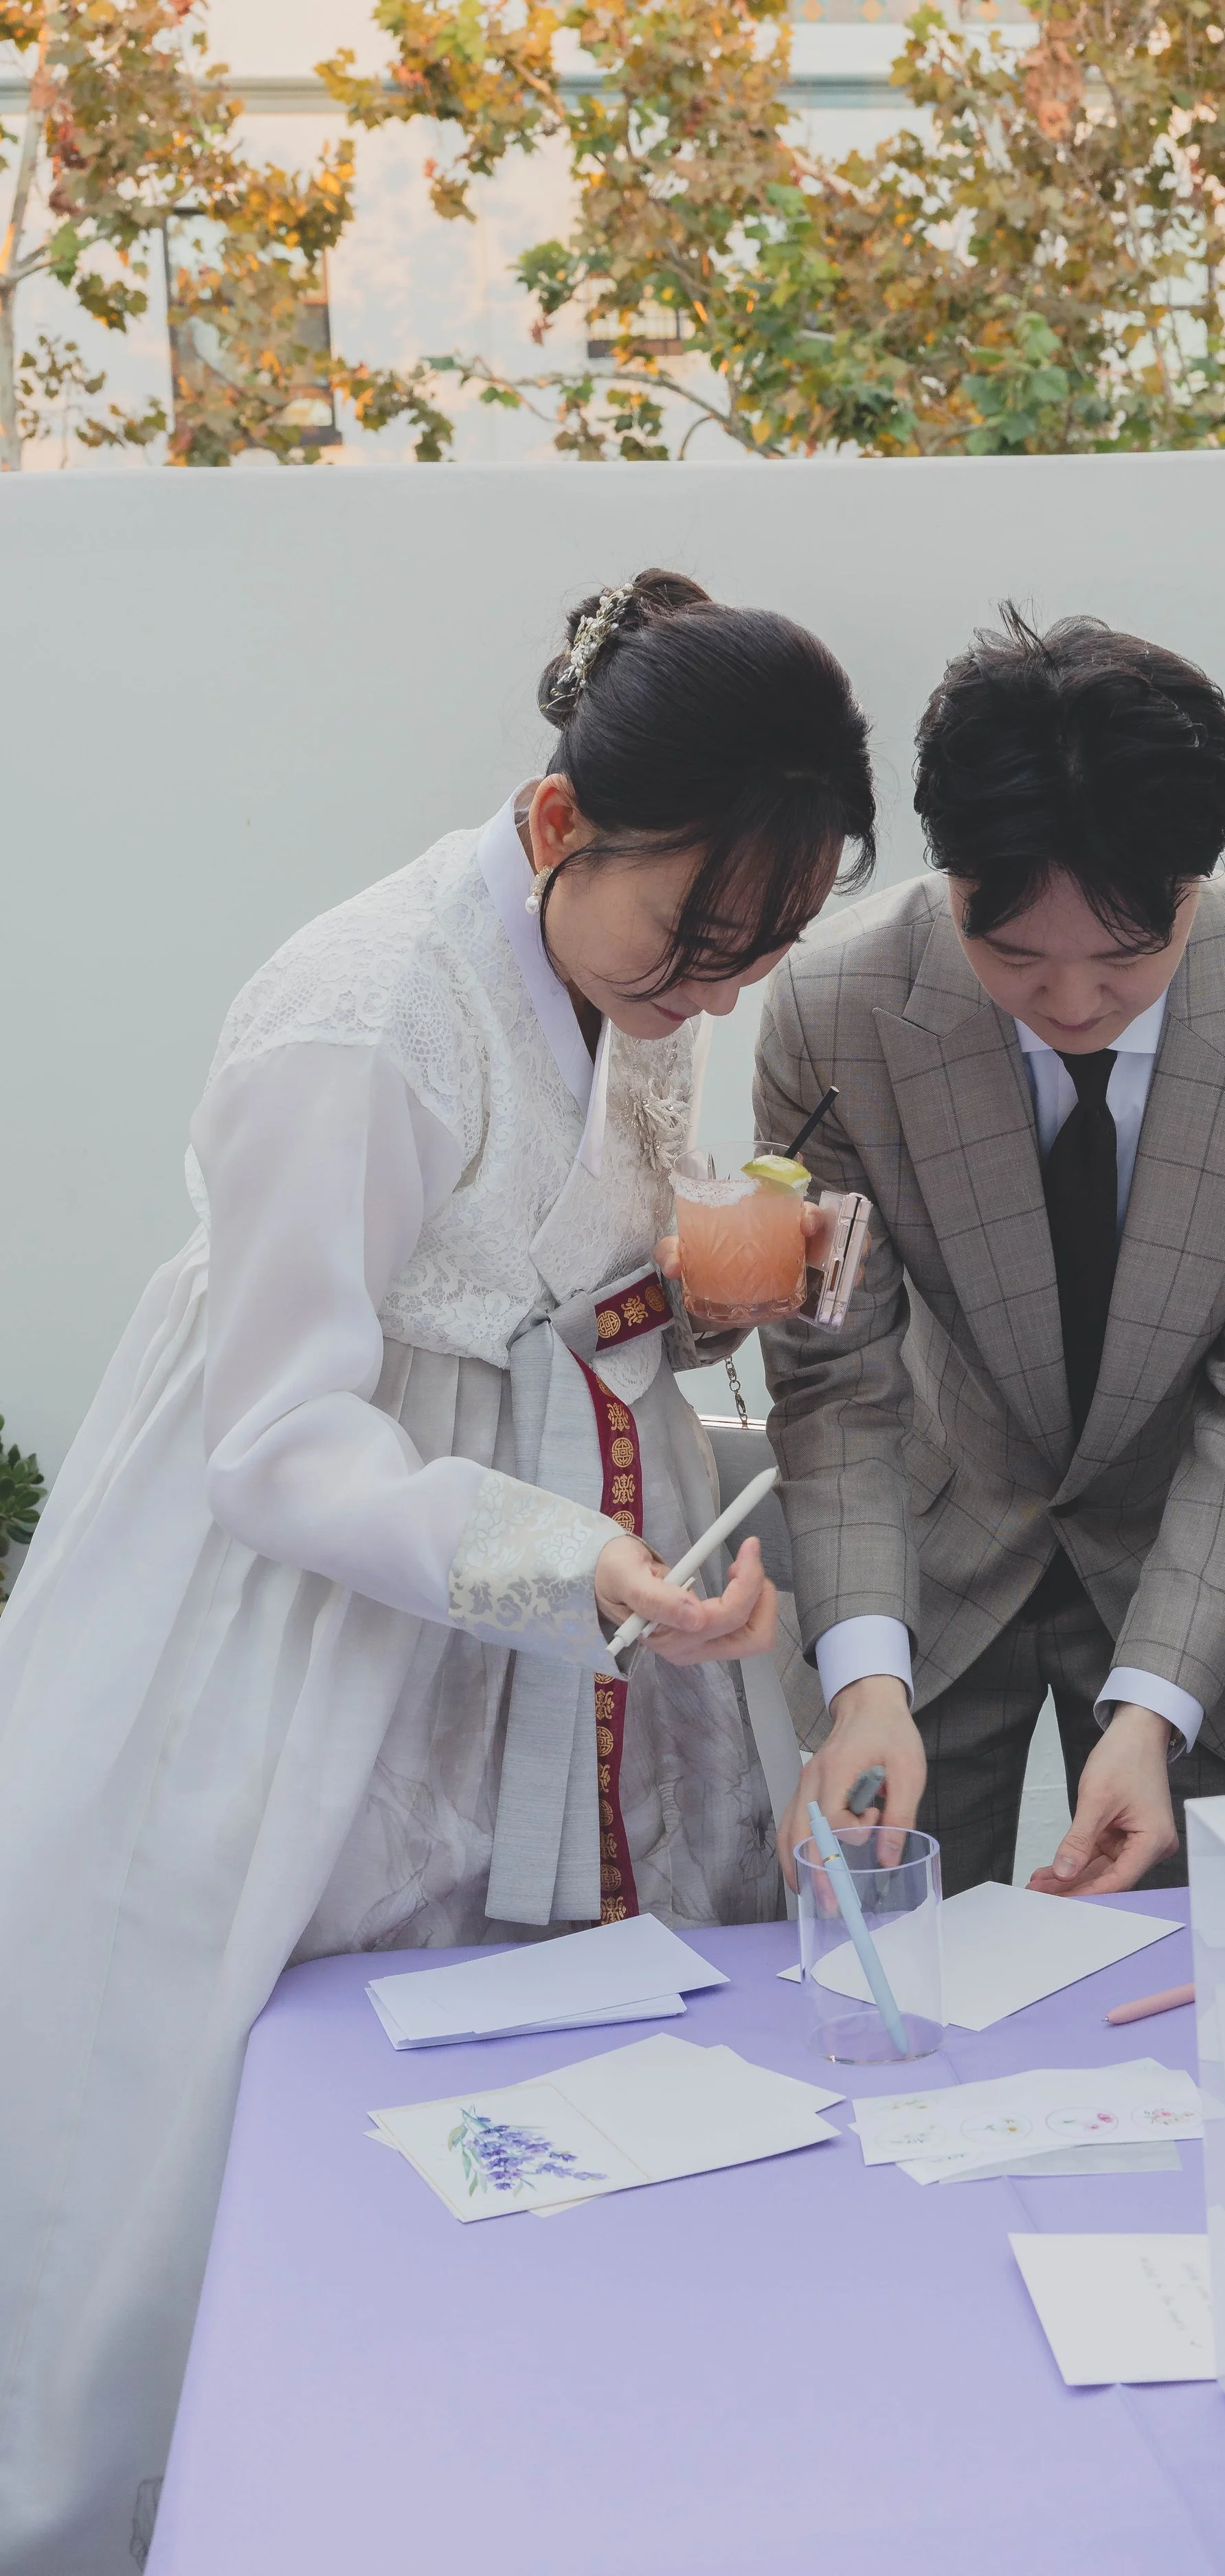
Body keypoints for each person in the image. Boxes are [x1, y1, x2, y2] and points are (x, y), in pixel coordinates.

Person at [0, 569, 875, 2576]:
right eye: (700, 940)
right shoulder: (358, 1013)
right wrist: (566, 1556)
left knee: (583, 2096)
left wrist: (725, 1282)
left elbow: (574, 1273)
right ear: (562, 824)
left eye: (766, 950)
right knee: (267, 2087)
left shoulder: (617, 964)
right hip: (320, 1587)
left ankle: (552, 2474)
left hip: (567, 1551)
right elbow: (279, 1435)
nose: (720, 994)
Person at [759, 606, 1225, 1898]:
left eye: (1126, 959)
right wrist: (866, 1676)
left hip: (1199, 1583)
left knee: (1222, 2001)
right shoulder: (834, 1014)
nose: (1068, 1004)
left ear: (1195, 885)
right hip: (926, 1578)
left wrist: (1156, 1704)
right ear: (946, 885)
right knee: (901, 1967)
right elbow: (837, 1380)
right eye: (1012, 956)